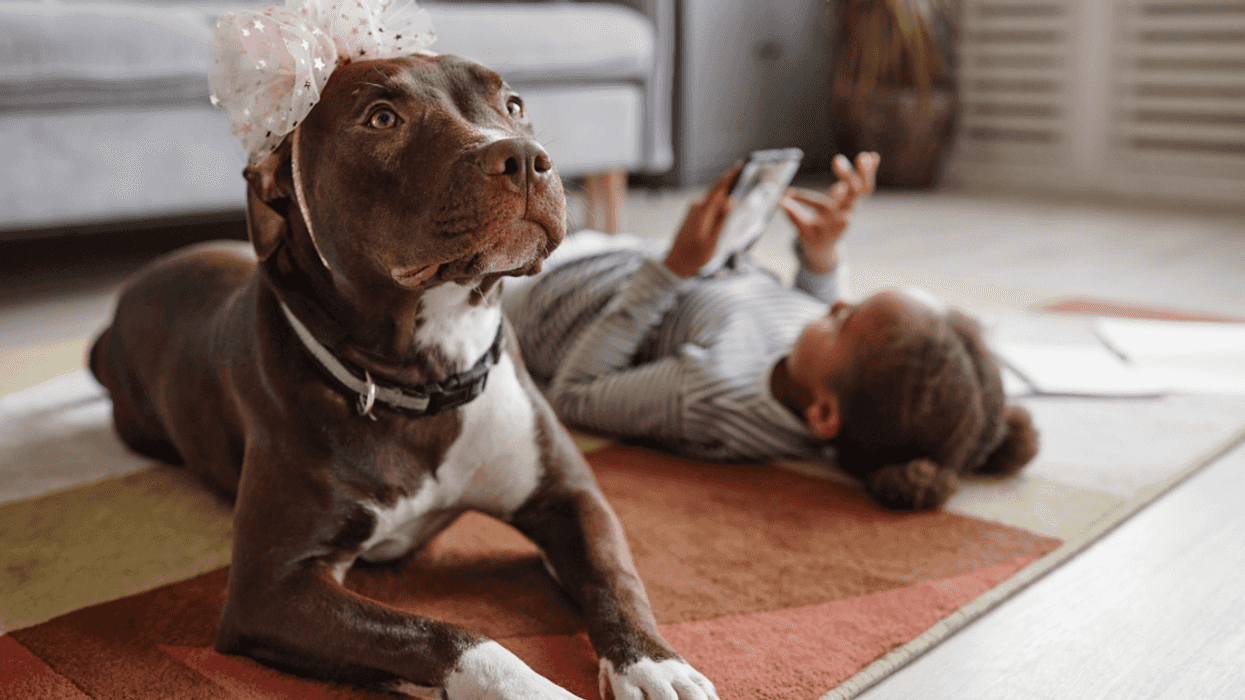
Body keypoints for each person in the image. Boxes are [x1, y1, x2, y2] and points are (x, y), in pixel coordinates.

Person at [503, 153, 1038, 510]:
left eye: (845, 319)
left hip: (537, 296)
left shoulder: (711, 393)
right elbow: (810, 320)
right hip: (615, 264)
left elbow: (574, 396)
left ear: (824, 414)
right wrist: (822, 256)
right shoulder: (815, 379)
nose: (837, 304)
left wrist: (673, 270)